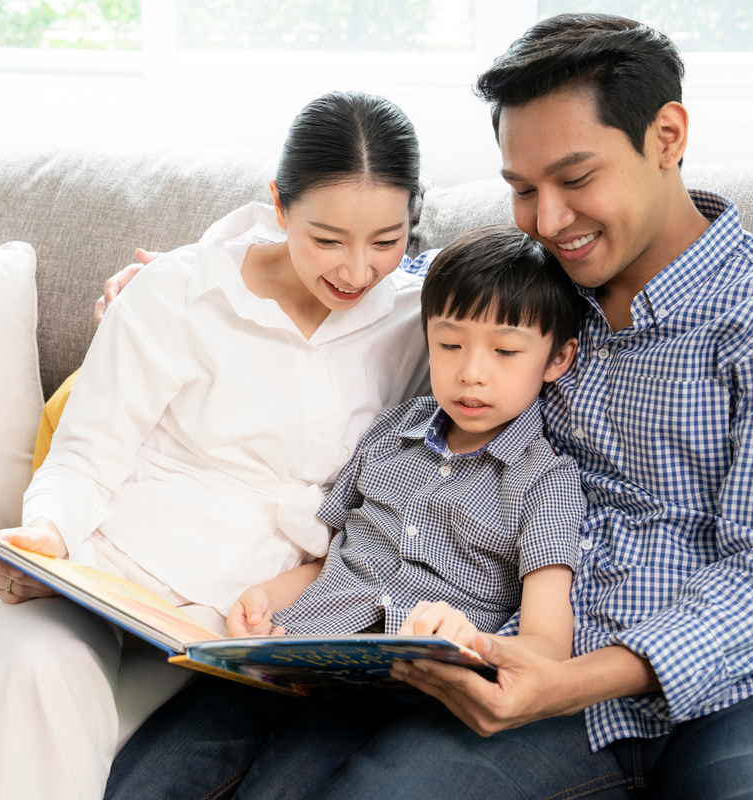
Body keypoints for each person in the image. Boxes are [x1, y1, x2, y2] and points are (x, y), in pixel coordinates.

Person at [104, 13, 753, 799]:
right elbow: (362, 259)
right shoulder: (525, 284)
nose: (548, 221)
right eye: (521, 190)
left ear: (667, 136)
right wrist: (185, 287)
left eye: (576, 180)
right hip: (530, 681)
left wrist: (568, 680)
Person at [0, 90, 436, 800]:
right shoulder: (181, 289)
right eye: (327, 240)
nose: (358, 270)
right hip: (110, 565)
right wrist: (45, 535)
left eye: (386, 241)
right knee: (33, 675)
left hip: (235, 616)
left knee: (90, 746)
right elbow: (89, 451)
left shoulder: (423, 320)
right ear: (278, 206)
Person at [228, 224, 585, 675]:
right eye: (450, 345)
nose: (471, 372)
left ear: (558, 358)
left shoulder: (545, 482)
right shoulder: (392, 431)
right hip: (301, 644)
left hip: (415, 686)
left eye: (506, 351)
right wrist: (265, 596)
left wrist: (472, 642)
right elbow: (333, 561)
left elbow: (548, 645)